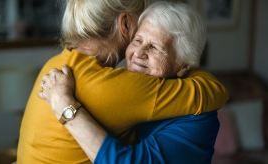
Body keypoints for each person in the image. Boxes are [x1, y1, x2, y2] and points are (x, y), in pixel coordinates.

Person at [17, 0, 228, 163]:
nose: (139, 53)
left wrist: (66, 108)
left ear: (184, 66)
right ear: (125, 23)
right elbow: (214, 91)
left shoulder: (54, 65)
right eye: (137, 39)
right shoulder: (114, 86)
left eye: (155, 47)